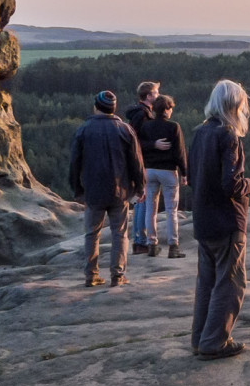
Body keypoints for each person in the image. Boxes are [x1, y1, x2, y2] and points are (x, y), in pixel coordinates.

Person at [189, 80, 250, 361]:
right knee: (231, 283)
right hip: (226, 221)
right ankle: (215, 342)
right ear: (235, 105)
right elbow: (231, 184)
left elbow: (193, 176)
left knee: (207, 282)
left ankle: (200, 339)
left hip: (203, 219)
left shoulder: (202, 131)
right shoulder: (228, 135)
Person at [69, 90, 144, 287]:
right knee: (120, 234)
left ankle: (91, 275)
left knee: (92, 234)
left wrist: (77, 190)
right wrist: (140, 187)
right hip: (120, 191)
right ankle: (117, 275)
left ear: (96, 106)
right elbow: (136, 162)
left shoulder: (84, 129)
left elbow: (75, 163)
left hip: (93, 191)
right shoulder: (125, 129)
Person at [137, 94, 188, 258]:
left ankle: (152, 245)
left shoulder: (147, 126)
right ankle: (173, 247)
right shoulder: (174, 127)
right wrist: (185, 173)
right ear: (166, 109)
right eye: (171, 108)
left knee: (150, 209)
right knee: (171, 210)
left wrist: (152, 147)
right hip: (168, 171)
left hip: (150, 171)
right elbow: (180, 152)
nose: (171, 111)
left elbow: (139, 146)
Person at [125, 81, 172, 255]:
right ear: (148, 96)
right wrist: (154, 144)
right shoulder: (141, 115)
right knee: (142, 202)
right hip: (142, 162)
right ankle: (141, 241)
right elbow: (134, 141)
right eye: (156, 92)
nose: (159, 95)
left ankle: (140, 241)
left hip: (141, 161)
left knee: (140, 201)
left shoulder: (141, 113)